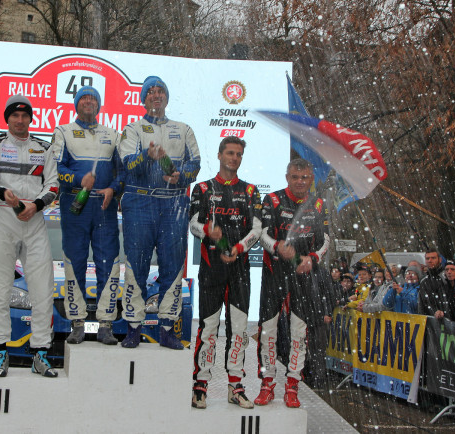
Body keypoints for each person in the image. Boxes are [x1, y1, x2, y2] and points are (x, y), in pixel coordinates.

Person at [0, 95, 59, 377]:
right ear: (7, 118)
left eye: (25, 116)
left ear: (31, 119)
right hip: (3, 218)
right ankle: (1, 352)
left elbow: (53, 184)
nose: (20, 120)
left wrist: (36, 205)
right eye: (15, 116)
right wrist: (3, 194)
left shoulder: (44, 147)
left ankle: (40, 354)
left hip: (34, 220)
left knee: (42, 291)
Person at [118, 76, 201, 349]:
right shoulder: (133, 129)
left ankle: (167, 328)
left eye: (160, 92)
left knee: (173, 267)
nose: (156, 96)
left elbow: (195, 163)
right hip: (140, 203)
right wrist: (147, 156)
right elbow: (129, 164)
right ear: (143, 99)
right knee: (135, 266)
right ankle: (133, 327)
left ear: (166, 98)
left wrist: (182, 176)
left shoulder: (184, 128)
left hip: (173, 204)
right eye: (151, 92)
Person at [189, 136, 262, 409]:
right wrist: (207, 231)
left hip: (240, 268)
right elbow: (193, 224)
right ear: (220, 155)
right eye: (230, 153)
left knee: (239, 329)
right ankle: (201, 384)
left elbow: (257, 229)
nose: (234, 158)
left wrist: (240, 248)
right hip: (211, 268)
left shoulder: (251, 191)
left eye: (239, 154)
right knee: (208, 328)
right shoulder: (204, 188)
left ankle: (236, 385)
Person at [52, 86, 124, 346]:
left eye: (93, 98)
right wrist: (77, 179)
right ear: (76, 104)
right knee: (74, 262)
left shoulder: (113, 135)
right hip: (75, 204)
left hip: (103, 207)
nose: (88, 102)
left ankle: (105, 324)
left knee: (110, 263)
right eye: (83, 98)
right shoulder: (63, 132)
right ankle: (78, 322)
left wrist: (113, 189)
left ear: (99, 105)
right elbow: (56, 167)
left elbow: (122, 172)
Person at [254, 158, 329, 409]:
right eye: (295, 177)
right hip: (274, 271)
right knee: (268, 330)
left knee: (299, 332)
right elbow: (261, 234)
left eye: (305, 178)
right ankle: (267, 383)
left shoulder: (318, 204)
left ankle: (293, 384)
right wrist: (276, 246)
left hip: (303, 274)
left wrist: (312, 258)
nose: (300, 182)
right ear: (287, 177)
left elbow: (325, 240)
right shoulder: (273, 200)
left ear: (311, 179)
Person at [417, 249, 449, 319]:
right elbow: (421, 305)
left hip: (448, 322)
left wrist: (444, 313)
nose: (430, 261)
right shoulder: (424, 281)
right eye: (427, 258)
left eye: (433, 258)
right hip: (430, 323)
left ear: (440, 260)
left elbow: (450, 301)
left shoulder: (446, 278)